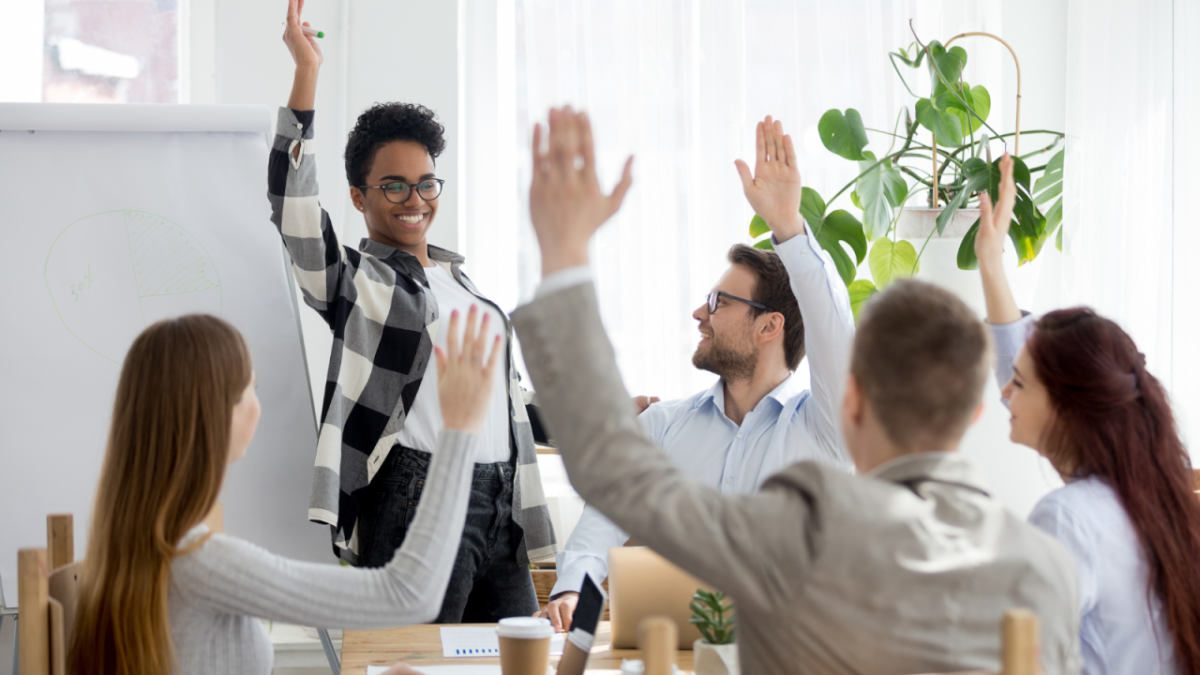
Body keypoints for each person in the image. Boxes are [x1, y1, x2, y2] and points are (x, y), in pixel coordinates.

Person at [508, 107, 1082, 674]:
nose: (699, 314)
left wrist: (564, 258)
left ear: (852, 401)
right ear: (979, 408)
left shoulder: (801, 526)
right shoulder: (1047, 568)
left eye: (718, 303)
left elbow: (614, 472)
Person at [270, 0, 554, 622]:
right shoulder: (355, 281)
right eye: (393, 185)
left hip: (502, 501)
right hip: (416, 496)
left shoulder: (469, 291)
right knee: (415, 665)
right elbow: (291, 205)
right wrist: (307, 72)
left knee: (517, 665)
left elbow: (505, 407)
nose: (414, 198)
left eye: (426, 183)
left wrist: (603, 418)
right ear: (358, 196)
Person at [539, 117, 855, 631]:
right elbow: (603, 518)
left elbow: (836, 338)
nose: (698, 314)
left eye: (718, 302)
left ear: (769, 326)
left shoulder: (823, 431)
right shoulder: (662, 426)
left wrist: (789, 228)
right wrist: (575, 587)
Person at [68, 309, 499, 675]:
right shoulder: (201, 563)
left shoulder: (132, 552)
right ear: (215, 418)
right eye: (249, 390)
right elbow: (410, 594)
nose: (258, 402)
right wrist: (460, 430)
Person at [976, 154, 1200, 675]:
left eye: (1021, 383)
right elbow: (1030, 364)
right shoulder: (1148, 496)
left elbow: (1014, 665)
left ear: (1070, 409)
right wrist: (991, 263)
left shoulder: (1069, 519)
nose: (1005, 391)